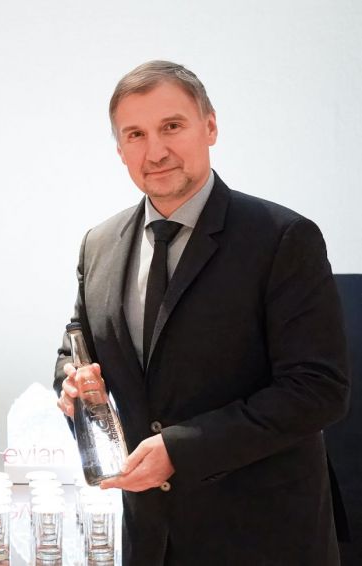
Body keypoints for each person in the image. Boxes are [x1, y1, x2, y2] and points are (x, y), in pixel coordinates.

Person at [55, 60, 350, 565]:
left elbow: (318, 390)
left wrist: (181, 449)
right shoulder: (98, 245)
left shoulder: (283, 238)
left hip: (265, 541)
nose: (155, 151)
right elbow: (76, 348)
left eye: (172, 126)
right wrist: (72, 384)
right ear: (120, 149)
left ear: (210, 127)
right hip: (150, 541)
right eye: (135, 134)